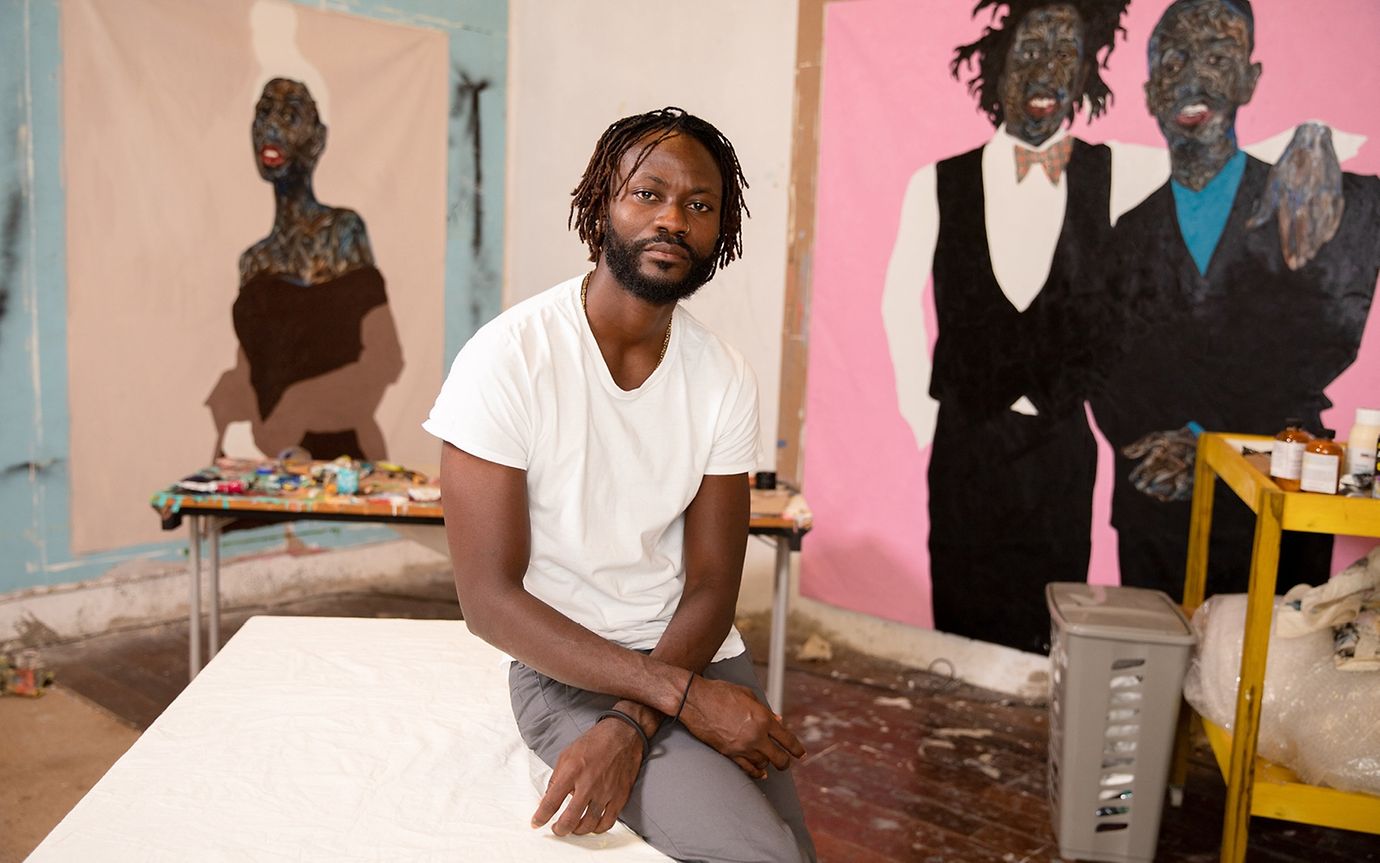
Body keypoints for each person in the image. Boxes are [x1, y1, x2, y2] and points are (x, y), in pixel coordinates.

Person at [424, 108, 816, 863]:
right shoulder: (507, 359)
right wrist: (674, 701)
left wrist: (647, 714)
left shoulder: (723, 374)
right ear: (603, 200)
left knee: (793, 854)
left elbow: (711, 584)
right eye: (649, 193)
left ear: (720, 233)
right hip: (569, 670)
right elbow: (488, 601)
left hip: (696, 653)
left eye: (700, 205)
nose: (674, 217)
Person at [1092, 0, 1380, 598]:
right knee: (1157, 676)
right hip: (1158, 504)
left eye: (1218, 57)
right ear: (1149, 94)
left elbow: (1322, 335)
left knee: (1267, 679)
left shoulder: (1309, 198)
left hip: (1271, 493)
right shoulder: (1125, 235)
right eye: (1174, 61)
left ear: (1251, 79)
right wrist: (1157, 440)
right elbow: (1107, 370)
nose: (1194, 78)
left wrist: (1205, 436)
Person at [883, 0, 1132, 653]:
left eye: (1065, 57)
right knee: (963, 624)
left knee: (1049, 633)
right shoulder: (936, 182)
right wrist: (923, 414)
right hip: (966, 441)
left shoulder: (1113, 174)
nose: (1048, 74)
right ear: (996, 70)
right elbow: (897, 298)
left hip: (1062, 448)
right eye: (1030, 54)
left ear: (1086, 75)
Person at [206, 78, 403, 462]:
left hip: (341, 459)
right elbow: (257, 362)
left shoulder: (343, 232)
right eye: (263, 114)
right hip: (267, 462)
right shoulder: (254, 260)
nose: (271, 127)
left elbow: (385, 358)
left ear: (318, 139)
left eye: (289, 115)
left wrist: (298, 403)